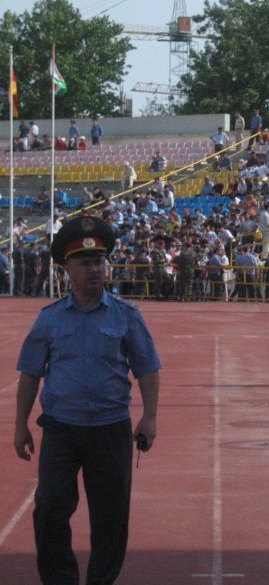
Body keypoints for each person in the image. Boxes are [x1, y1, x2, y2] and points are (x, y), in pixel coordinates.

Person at [14, 215, 161, 585]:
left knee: (110, 516)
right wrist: (20, 427)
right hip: (61, 430)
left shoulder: (127, 316)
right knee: (50, 509)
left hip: (110, 430)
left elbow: (147, 368)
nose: (94, 269)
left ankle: (100, 580)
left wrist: (150, 417)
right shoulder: (49, 320)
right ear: (68, 270)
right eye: (84, 263)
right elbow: (30, 374)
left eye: (99, 261)